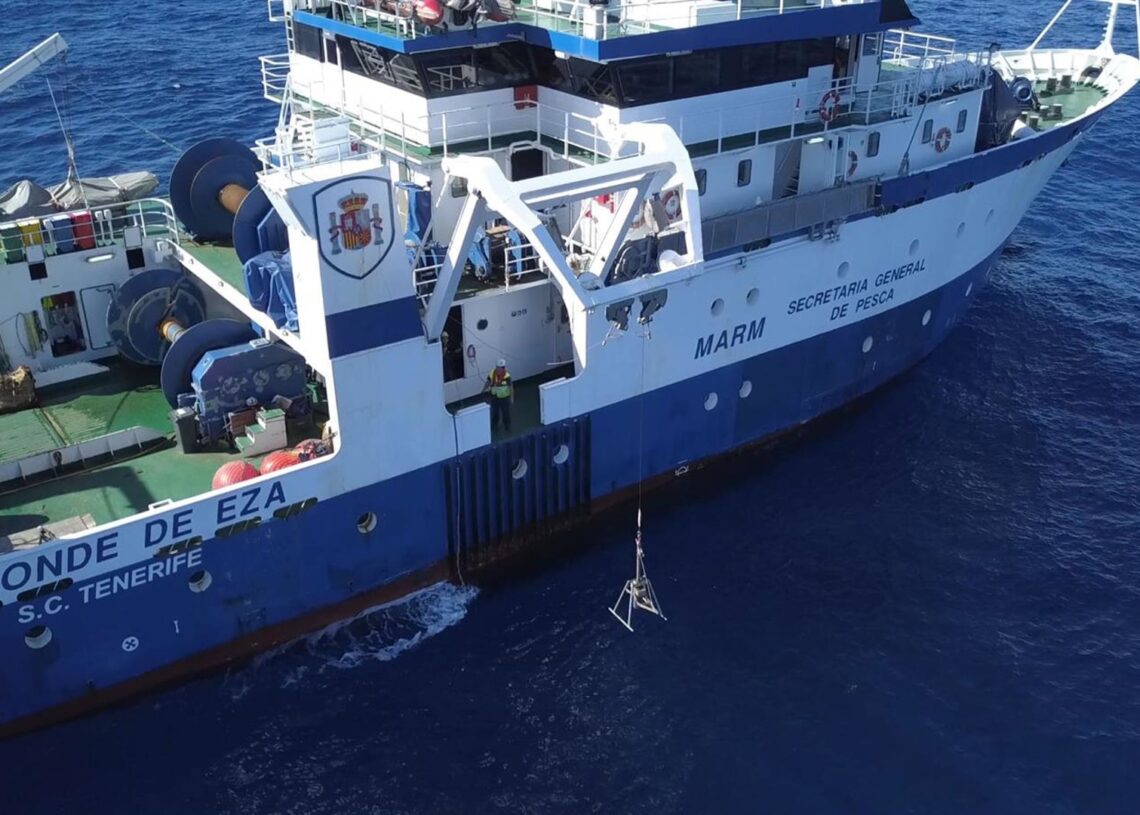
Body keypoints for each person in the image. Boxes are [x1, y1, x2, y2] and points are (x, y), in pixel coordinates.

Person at [483, 358, 513, 433]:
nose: (501, 369)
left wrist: (511, 398)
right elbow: (488, 382)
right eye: (499, 368)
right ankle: (494, 426)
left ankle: (507, 426)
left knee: (506, 413)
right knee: (495, 412)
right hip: (494, 397)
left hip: (504, 398)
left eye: (502, 368)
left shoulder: (507, 376)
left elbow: (510, 387)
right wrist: (483, 389)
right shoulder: (492, 373)